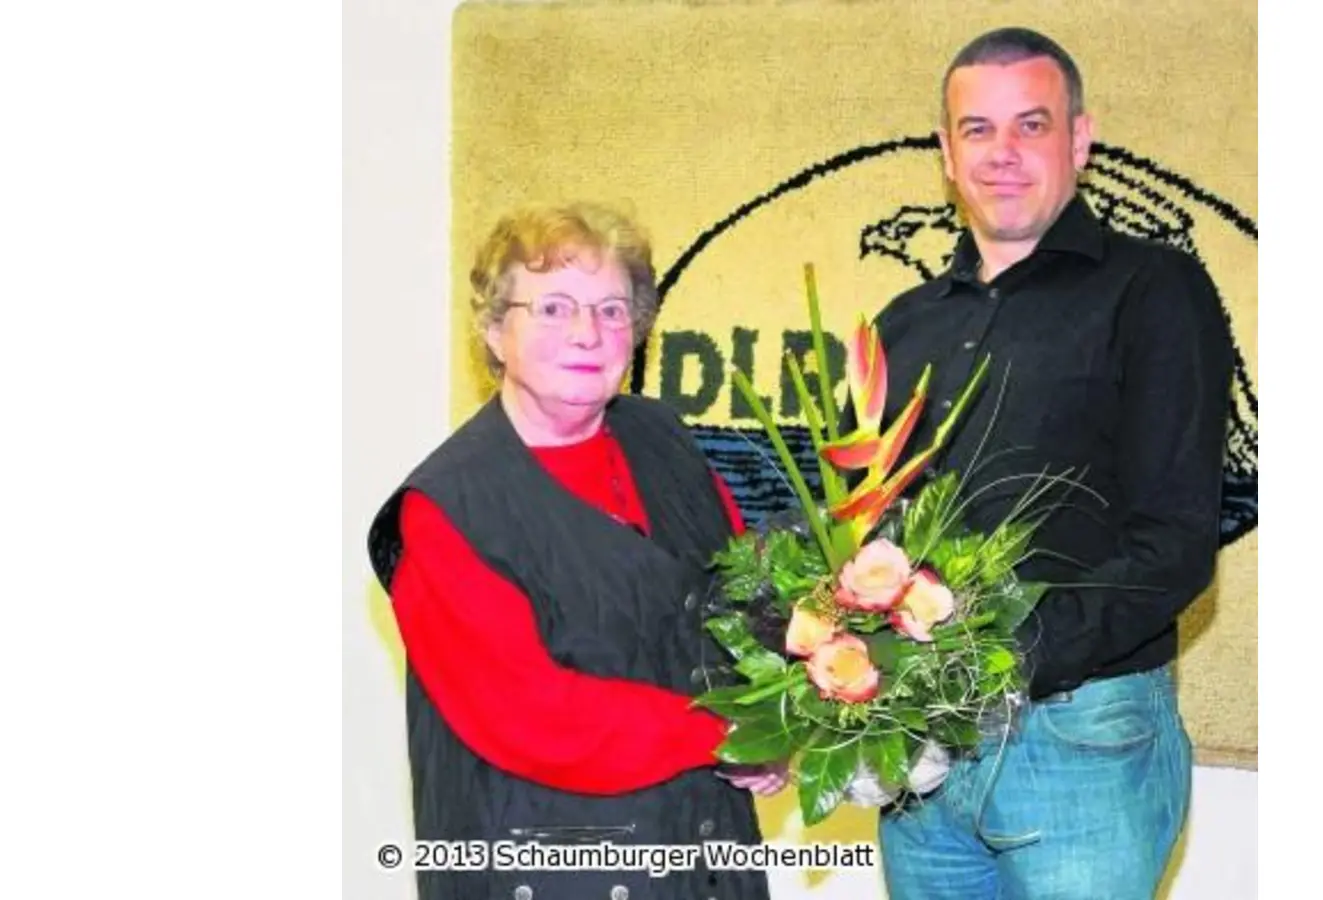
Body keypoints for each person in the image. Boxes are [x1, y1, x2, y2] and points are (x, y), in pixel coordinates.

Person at [859, 27, 1234, 900]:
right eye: (977, 130)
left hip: (1081, 739)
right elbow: (866, 524)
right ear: (947, 155)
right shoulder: (901, 324)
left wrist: (999, 658)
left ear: (1081, 138)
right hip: (923, 754)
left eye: (1031, 125)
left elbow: (1176, 540)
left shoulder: (1157, 291)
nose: (1003, 154)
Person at [366, 202, 783, 900]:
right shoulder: (443, 510)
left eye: (612, 310)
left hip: (703, 856)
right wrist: (724, 730)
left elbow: (740, 602)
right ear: (496, 330)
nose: (589, 333)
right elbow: (533, 716)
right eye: (554, 308)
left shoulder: (665, 440)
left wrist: (775, 718)